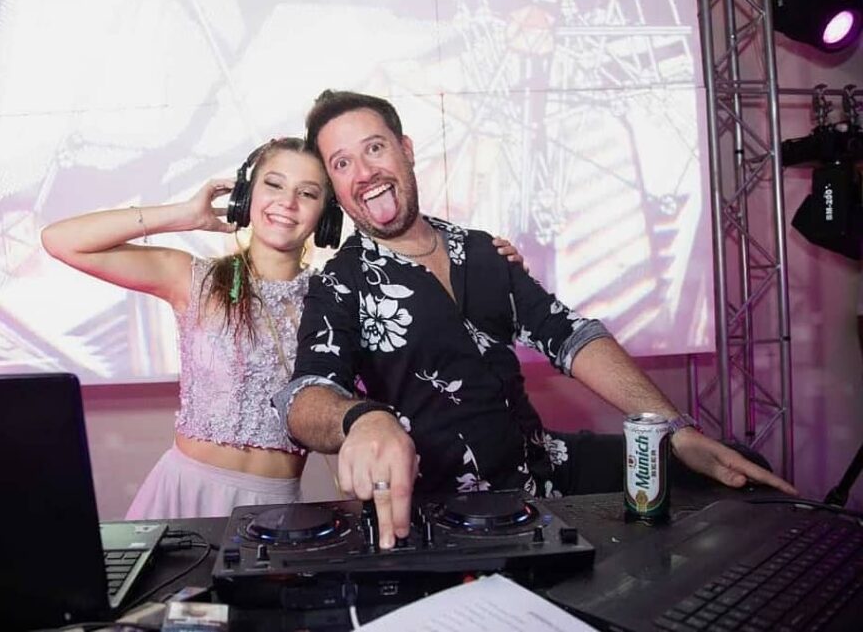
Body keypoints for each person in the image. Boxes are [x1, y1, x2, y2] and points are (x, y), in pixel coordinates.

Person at [273, 90, 798, 549]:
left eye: (374, 148)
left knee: (730, 467)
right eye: (342, 163)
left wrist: (675, 430)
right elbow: (305, 397)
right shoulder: (339, 282)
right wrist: (361, 418)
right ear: (335, 187)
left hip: (546, 468)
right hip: (449, 509)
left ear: (406, 150)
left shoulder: (482, 250)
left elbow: (570, 335)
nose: (364, 173)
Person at [42, 137, 525, 519]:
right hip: (184, 492)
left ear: (325, 215)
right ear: (247, 195)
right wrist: (184, 214)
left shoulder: (338, 298)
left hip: (277, 509)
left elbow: (440, 338)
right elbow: (61, 241)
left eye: (308, 193)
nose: (287, 203)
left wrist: (489, 270)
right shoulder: (195, 279)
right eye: (273, 185)